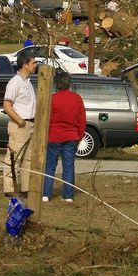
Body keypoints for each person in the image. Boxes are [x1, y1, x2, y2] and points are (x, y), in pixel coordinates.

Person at [42, 72, 86, 203]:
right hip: (71, 136)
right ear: (69, 83)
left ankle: (46, 194)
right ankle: (68, 195)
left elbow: (47, 119)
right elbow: (82, 120)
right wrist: (80, 136)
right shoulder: (77, 98)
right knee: (68, 166)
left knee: (50, 166)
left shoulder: (52, 98)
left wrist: (46, 136)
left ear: (56, 84)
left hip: (54, 136)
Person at [2, 51, 38, 197]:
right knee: (13, 157)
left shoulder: (28, 81)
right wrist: (20, 121)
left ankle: (25, 188)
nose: (35, 65)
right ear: (25, 65)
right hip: (20, 125)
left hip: (31, 124)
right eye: (33, 63)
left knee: (27, 159)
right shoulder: (15, 82)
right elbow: (7, 105)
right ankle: (9, 188)